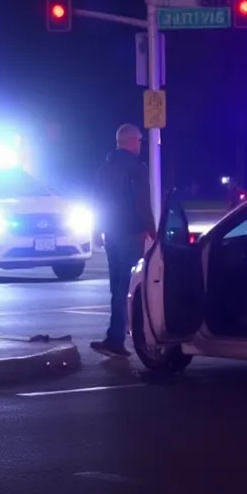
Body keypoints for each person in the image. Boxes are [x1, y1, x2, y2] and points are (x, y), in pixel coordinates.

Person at [90, 124, 156, 357]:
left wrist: (97, 229)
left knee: (117, 285)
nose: (140, 143)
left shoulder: (105, 168)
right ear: (130, 141)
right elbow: (142, 203)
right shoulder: (136, 168)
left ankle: (115, 336)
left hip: (112, 233)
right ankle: (131, 336)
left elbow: (98, 202)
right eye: (139, 140)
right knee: (131, 285)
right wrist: (151, 229)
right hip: (130, 232)